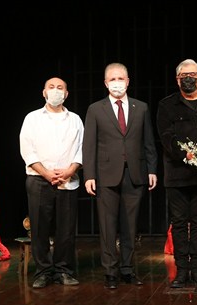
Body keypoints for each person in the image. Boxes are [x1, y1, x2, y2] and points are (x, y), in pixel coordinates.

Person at [83, 63, 158, 289]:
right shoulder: (95, 109)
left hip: (134, 173)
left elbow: (148, 142)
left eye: (121, 78)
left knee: (130, 226)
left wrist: (152, 169)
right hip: (105, 175)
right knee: (107, 225)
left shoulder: (141, 107)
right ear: (106, 83)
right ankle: (110, 272)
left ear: (128, 81)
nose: (117, 82)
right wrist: (89, 174)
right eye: (113, 79)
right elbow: (89, 145)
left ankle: (127, 269)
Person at [156, 58, 197, 288]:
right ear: (177, 79)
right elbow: (166, 137)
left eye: (193, 74)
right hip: (176, 174)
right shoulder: (166, 105)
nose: (188, 78)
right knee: (180, 223)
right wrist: (187, 154)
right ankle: (182, 271)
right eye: (184, 75)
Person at [19, 77, 84, 289]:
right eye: (51, 87)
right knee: (39, 228)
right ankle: (43, 272)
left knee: (66, 229)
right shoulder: (32, 118)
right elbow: (27, 149)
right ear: (44, 92)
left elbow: (81, 148)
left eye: (60, 88)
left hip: (68, 180)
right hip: (39, 180)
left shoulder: (75, 119)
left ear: (66, 94)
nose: (56, 91)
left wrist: (70, 170)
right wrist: (46, 173)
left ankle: (64, 270)